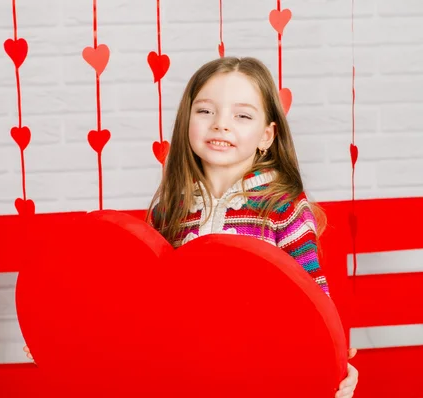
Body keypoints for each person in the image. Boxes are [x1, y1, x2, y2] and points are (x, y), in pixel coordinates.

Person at [146, 56, 358, 398]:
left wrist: (333, 364)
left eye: (242, 115)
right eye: (205, 111)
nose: (221, 125)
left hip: (264, 376)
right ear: (186, 120)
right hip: (187, 377)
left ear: (266, 135)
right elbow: (142, 303)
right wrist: (65, 338)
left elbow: (314, 300)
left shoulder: (282, 207)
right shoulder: (169, 211)